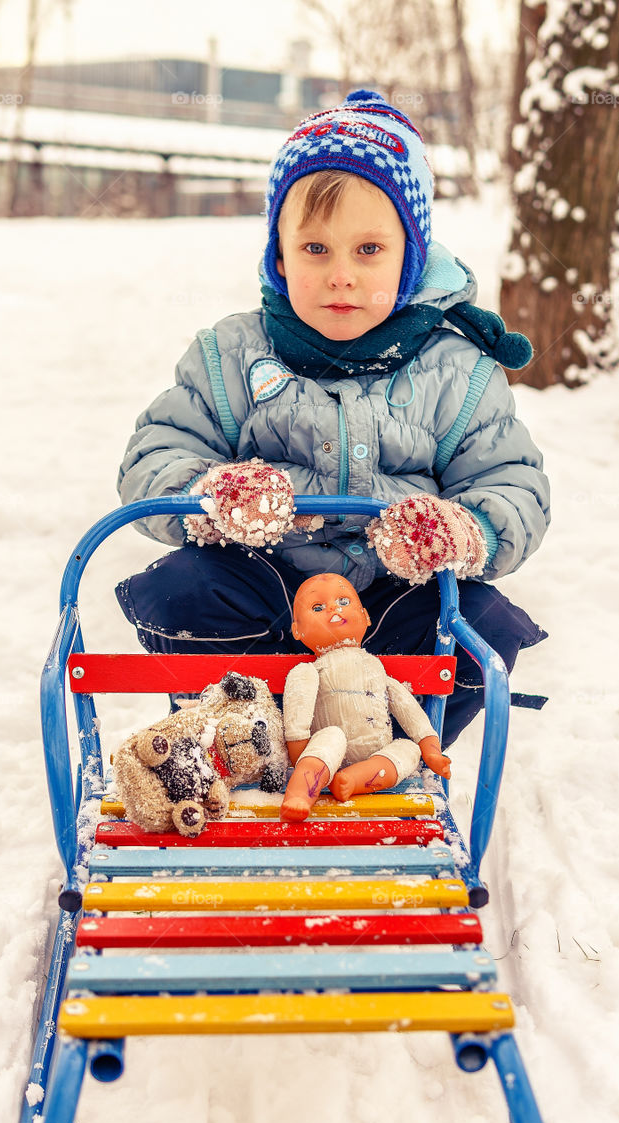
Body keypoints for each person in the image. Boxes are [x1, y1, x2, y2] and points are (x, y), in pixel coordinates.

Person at [115, 90, 549, 750]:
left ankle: (393, 749)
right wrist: (213, 497)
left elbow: (512, 484)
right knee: (182, 589)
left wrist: (462, 529)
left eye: (368, 249)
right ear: (279, 257)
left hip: (387, 605)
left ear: (410, 252)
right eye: (315, 249)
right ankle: (242, 737)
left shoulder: (457, 371)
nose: (340, 276)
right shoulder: (229, 354)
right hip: (262, 596)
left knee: (479, 620)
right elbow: (154, 457)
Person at [280, 573, 450, 822]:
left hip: (377, 753)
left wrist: (431, 749)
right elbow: (298, 711)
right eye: (318, 607)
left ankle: (355, 779)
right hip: (330, 753)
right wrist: (299, 754)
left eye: (344, 601)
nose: (334, 608)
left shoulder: (376, 668)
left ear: (365, 617)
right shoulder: (310, 671)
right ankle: (301, 793)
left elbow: (408, 709)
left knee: (408, 749)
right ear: (298, 630)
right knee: (330, 736)